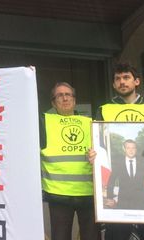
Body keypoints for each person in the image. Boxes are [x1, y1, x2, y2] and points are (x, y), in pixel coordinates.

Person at [97, 61, 144, 240]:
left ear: (136, 81)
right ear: (113, 84)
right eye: (118, 79)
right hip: (120, 206)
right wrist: (94, 156)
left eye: (126, 77)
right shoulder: (104, 110)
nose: (122, 82)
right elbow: (98, 146)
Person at [40, 82, 99, 240]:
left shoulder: (91, 123)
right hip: (58, 193)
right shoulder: (44, 123)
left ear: (74, 100)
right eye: (60, 95)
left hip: (89, 193)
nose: (65, 98)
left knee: (92, 237)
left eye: (68, 94)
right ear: (53, 102)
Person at [105, 139, 144, 210]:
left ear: (136, 149)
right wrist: (110, 198)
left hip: (141, 202)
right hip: (123, 203)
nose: (131, 150)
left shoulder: (143, 162)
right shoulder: (118, 162)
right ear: (124, 149)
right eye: (128, 148)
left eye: (133, 148)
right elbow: (111, 181)